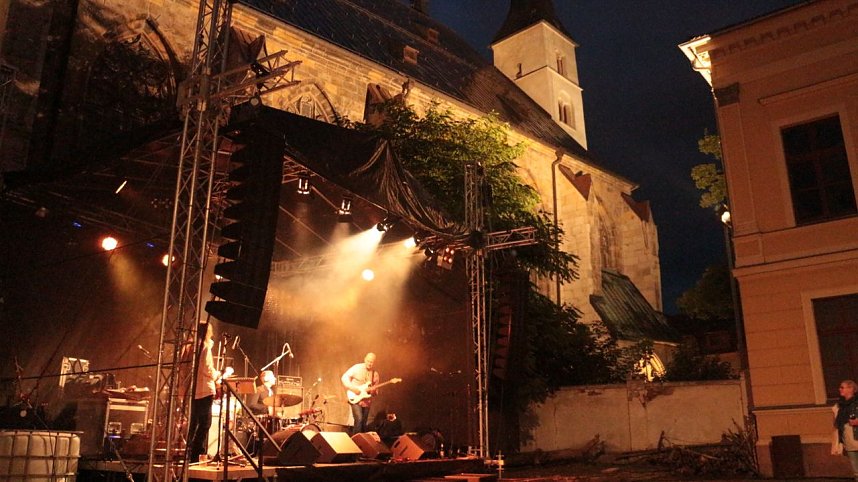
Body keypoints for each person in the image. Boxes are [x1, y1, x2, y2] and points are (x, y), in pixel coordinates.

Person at [186, 321, 221, 464]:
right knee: (205, 423)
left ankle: (188, 452)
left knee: (193, 422)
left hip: (192, 390)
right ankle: (196, 452)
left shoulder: (190, 347)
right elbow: (207, 369)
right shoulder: (204, 347)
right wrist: (218, 374)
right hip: (204, 390)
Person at [341, 352, 380, 435]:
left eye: (372, 362)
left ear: (374, 362)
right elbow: (344, 377)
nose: (369, 363)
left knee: (363, 424)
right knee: (359, 419)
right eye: (368, 361)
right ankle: (355, 442)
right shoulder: (357, 368)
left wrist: (373, 391)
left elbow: (376, 392)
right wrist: (352, 388)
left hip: (366, 402)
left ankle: (361, 442)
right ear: (365, 359)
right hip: (355, 398)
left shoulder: (375, 374)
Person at [833, 379, 858, 480]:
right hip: (847, 436)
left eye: (842, 387)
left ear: (851, 389)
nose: (840, 389)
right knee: (854, 463)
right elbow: (837, 422)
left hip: (856, 434)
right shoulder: (840, 405)